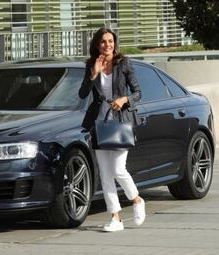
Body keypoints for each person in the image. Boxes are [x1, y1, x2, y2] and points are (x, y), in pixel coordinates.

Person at [79, 27, 145, 232]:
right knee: (106, 174)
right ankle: (115, 218)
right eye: (103, 42)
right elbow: (82, 94)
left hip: (119, 122)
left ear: (115, 43)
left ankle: (136, 199)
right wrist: (94, 74)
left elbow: (137, 92)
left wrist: (124, 99)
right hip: (99, 125)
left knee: (118, 169)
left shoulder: (124, 63)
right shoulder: (92, 65)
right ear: (97, 45)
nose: (108, 45)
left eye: (110, 41)